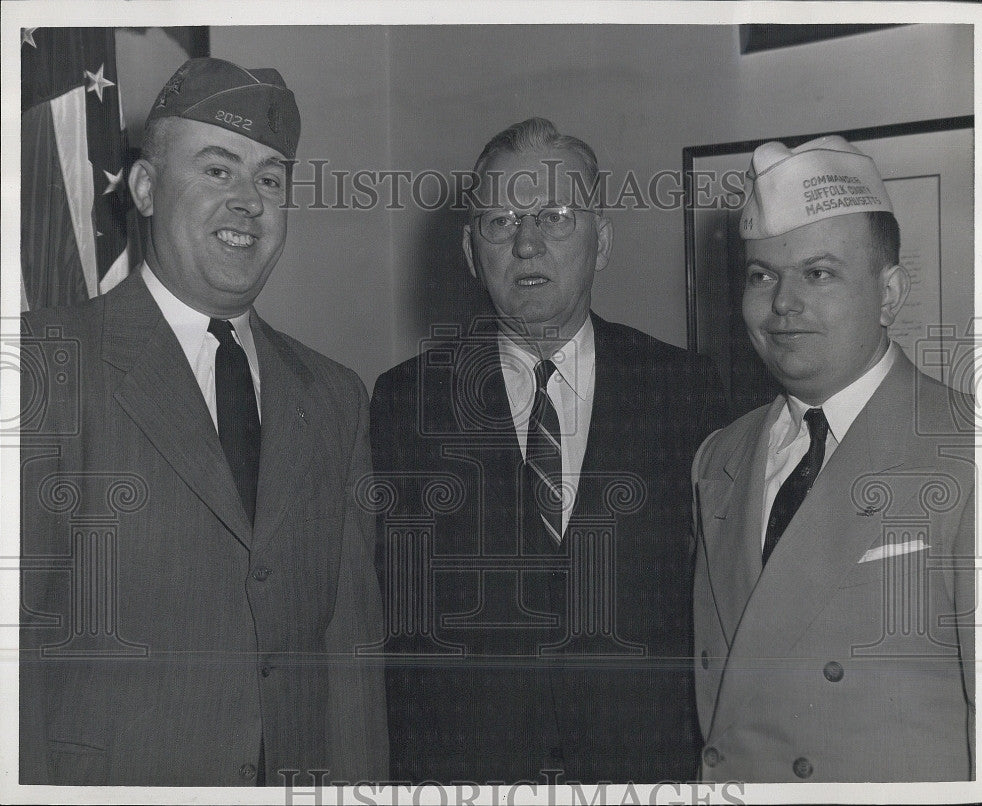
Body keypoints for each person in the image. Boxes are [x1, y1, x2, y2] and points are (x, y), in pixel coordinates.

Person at [20, 57, 387, 786]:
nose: (249, 201)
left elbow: (350, 664)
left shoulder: (335, 395)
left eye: (270, 179)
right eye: (218, 170)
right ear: (148, 189)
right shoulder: (44, 366)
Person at [369, 117, 727, 783]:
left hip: (641, 775)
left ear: (602, 242)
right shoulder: (401, 404)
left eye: (556, 216)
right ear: (473, 252)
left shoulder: (687, 391)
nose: (528, 242)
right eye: (500, 222)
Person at [692, 135, 975, 782]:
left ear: (890, 293)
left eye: (819, 273)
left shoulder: (969, 449)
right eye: (762, 275)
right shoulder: (719, 457)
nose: (783, 302)